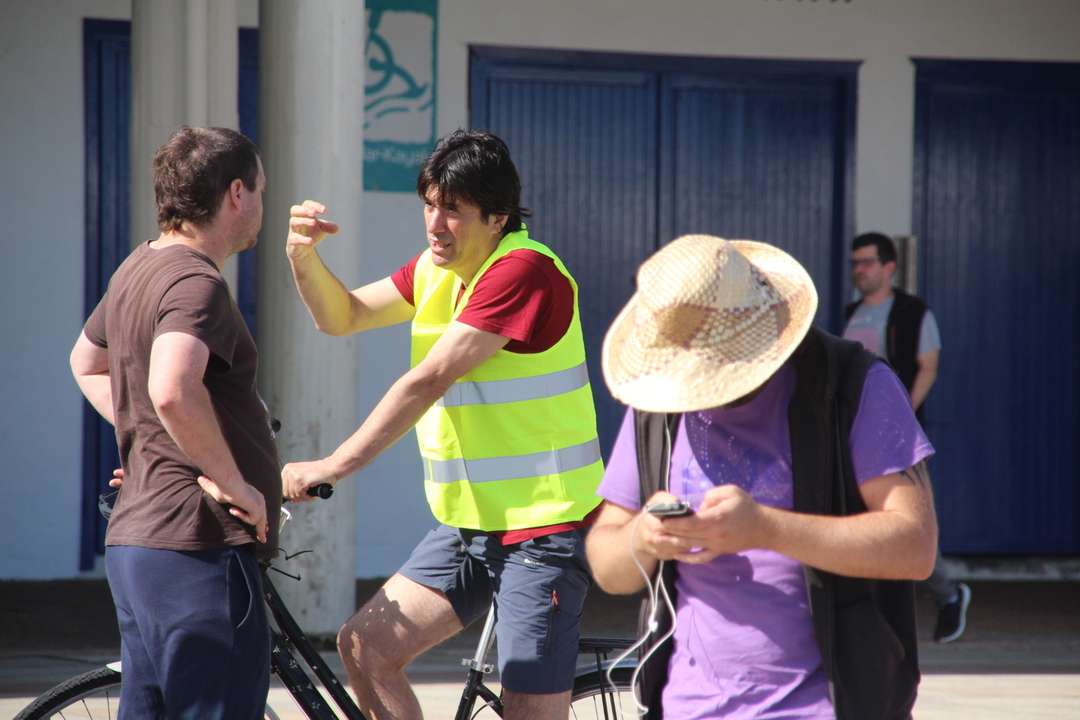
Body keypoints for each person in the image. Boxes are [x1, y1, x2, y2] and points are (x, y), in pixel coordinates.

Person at [281, 129, 604, 720]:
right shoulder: (437, 271)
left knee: (529, 710)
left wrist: (332, 466)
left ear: (498, 216)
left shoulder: (523, 270)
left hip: (542, 527)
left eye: (453, 209)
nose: (435, 223)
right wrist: (303, 257)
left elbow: (428, 379)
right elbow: (342, 314)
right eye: (429, 205)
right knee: (366, 647)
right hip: (470, 524)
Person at [586, 235, 939, 720]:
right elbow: (606, 563)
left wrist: (767, 528)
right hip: (685, 706)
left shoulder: (854, 385)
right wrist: (643, 538)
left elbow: (915, 546)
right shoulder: (659, 401)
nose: (699, 392)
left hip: (829, 706)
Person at [69, 126, 279, 719]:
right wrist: (237, 485)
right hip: (198, 548)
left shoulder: (138, 266)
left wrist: (151, 440)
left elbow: (87, 363)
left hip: (141, 545)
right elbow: (172, 389)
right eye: (261, 190)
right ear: (236, 193)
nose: (262, 203)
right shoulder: (196, 282)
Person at [843, 231, 971, 643]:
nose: (859, 270)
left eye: (867, 262)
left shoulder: (913, 312)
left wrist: (903, 418)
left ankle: (948, 596)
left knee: (905, 520)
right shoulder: (851, 312)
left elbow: (927, 367)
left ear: (890, 267)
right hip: (853, 431)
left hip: (895, 434)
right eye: (855, 263)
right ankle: (867, 607)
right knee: (859, 518)